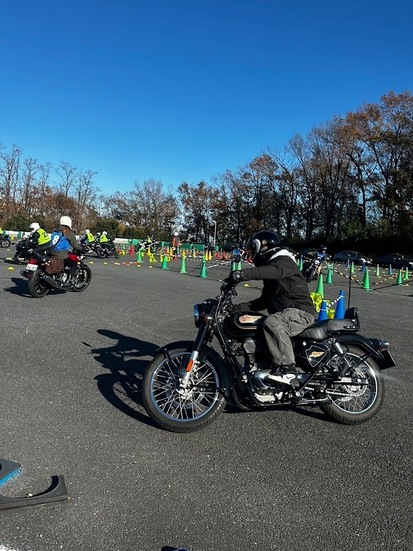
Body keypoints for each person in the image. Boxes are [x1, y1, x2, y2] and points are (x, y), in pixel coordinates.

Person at [226, 230, 316, 387]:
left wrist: (242, 274)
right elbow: (262, 302)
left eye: (253, 248)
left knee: (272, 323)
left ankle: (288, 370)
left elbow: (272, 271)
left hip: (301, 313)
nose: (252, 254)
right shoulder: (273, 273)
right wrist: (234, 308)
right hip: (287, 314)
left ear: (262, 247)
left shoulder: (283, 262)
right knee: (258, 324)